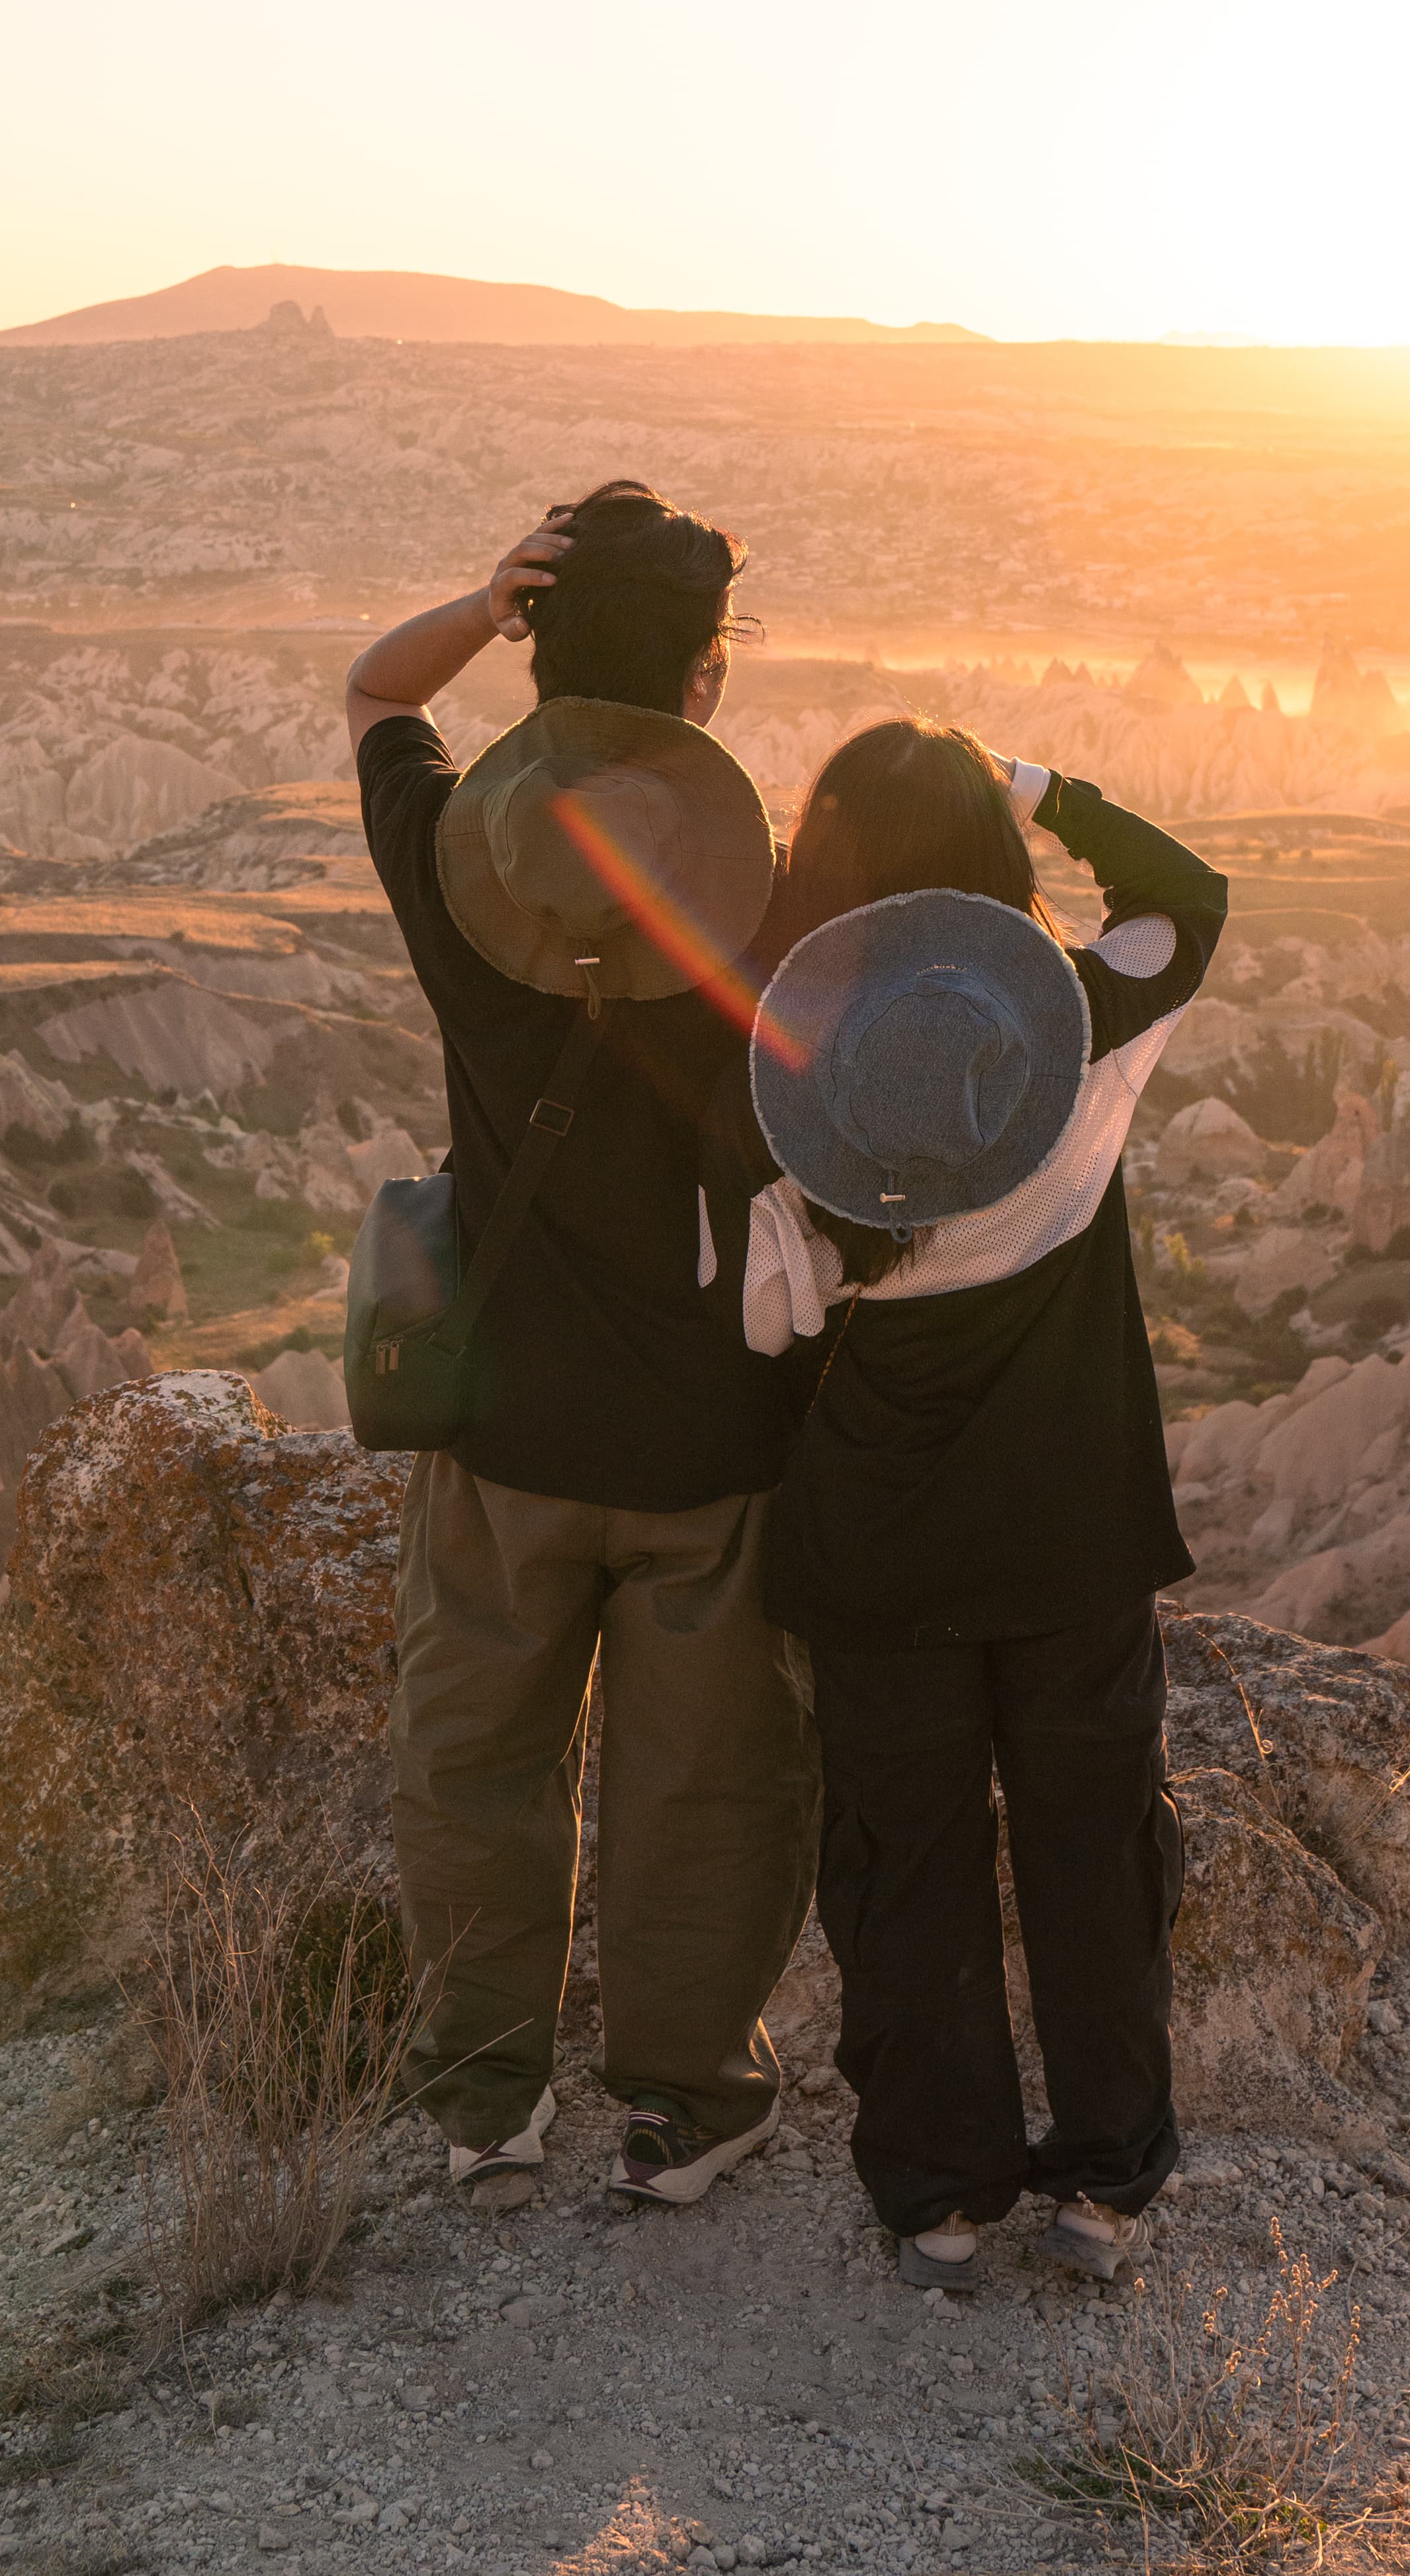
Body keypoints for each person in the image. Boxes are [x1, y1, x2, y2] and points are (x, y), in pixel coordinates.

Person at [700, 719, 1227, 2289]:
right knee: (1090, 1845)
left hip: (876, 1539)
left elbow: (762, 1331)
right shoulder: (1083, 1019)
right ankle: (1105, 2184)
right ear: (990, 876)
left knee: (902, 1851)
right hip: (1073, 1522)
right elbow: (1185, 893)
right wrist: (1038, 784)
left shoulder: (782, 1083)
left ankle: (937, 2193)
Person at [345, 483, 818, 2211]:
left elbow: (375, 698)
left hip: (506, 1430)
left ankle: (483, 2095)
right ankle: (685, 2100)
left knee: (473, 1758)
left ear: (544, 657)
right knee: (704, 1783)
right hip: (713, 1441)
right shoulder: (772, 906)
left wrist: (483, 602)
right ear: (705, 682)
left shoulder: (454, 866)